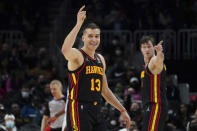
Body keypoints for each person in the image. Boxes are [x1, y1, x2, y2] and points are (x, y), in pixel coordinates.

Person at [61, 5, 131, 131]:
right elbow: (65, 50)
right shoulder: (78, 56)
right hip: (79, 109)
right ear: (83, 38)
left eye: (97, 36)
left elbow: (105, 91)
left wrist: (122, 109)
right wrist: (78, 24)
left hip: (96, 109)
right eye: (90, 36)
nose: (94, 39)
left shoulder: (100, 59)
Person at [140, 35, 168, 131]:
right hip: (150, 106)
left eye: (149, 46)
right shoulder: (145, 66)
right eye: (144, 47)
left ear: (153, 47)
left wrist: (159, 52)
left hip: (156, 105)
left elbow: (159, 61)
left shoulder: (153, 61)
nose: (147, 49)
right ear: (141, 49)